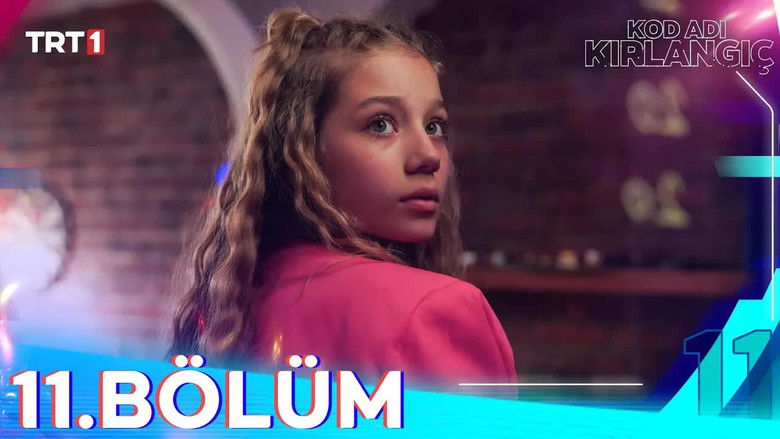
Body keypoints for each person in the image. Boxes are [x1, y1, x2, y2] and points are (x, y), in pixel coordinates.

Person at [168, 7, 515, 389]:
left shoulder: (226, 303)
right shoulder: (434, 308)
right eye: (380, 124)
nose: (429, 155)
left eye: (434, 126)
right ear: (304, 148)